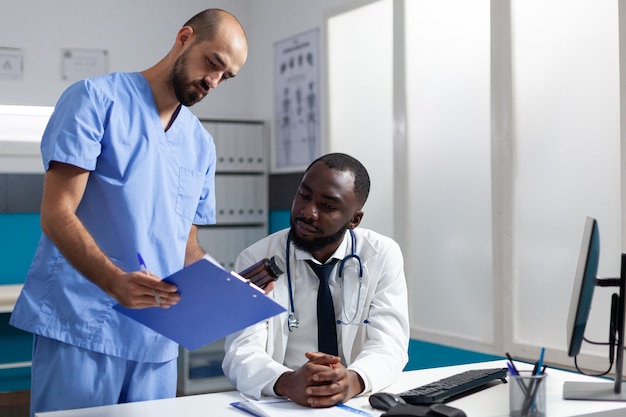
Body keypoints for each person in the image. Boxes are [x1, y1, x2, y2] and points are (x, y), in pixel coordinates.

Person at [9, 9, 248, 416]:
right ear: (184, 37)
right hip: (80, 326)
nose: (213, 81)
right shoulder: (94, 100)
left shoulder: (200, 144)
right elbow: (57, 213)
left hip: (156, 342)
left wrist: (235, 290)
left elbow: (186, 247)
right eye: (213, 63)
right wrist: (113, 282)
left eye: (226, 77)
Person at [222, 153, 410, 408]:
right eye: (304, 195)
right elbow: (240, 351)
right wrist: (288, 382)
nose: (308, 212)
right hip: (285, 403)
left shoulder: (381, 255)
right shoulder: (257, 259)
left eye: (328, 206)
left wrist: (353, 380)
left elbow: (390, 343)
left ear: (354, 219)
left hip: (354, 402)